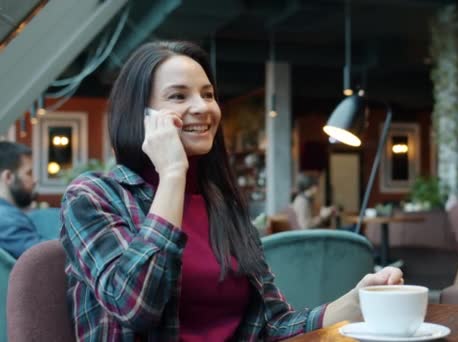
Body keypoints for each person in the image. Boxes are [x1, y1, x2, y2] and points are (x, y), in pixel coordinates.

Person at [59, 40, 403, 341]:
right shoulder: (92, 197)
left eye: (208, 94)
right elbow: (134, 305)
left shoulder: (222, 205)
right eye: (178, 95)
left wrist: (354, 303)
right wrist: (173, 173)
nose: (203, 107)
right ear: (140, 115)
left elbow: (274, 326)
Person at [0, 141, 44, 258]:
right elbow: (46, 258)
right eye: (29, 173)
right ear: (8, 177)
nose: (35, 180)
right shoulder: (7, 220)